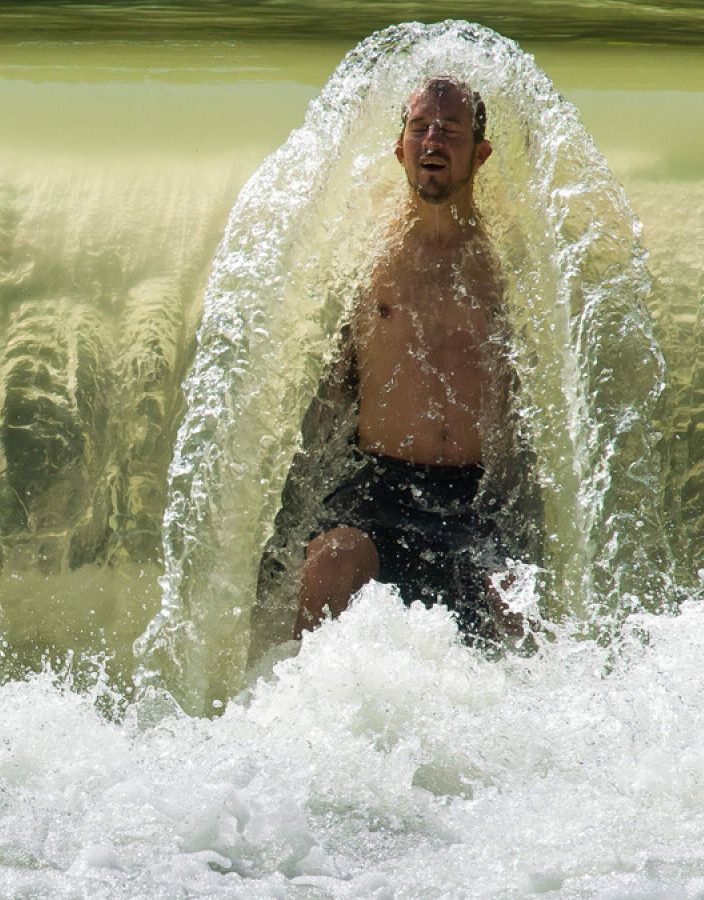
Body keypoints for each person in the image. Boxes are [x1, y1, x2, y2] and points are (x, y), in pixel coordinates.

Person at [293, 76, 527, 642]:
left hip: (475, 501)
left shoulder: (511, 265)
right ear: (400, 148)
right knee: (329, 564)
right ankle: (278, 715)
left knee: (521, 610)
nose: (432, 142)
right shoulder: (368, 255)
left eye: (450, 130)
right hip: (378, 492)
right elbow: (331, 389)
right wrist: (287, 519)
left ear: (480, 151)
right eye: (419, 129)